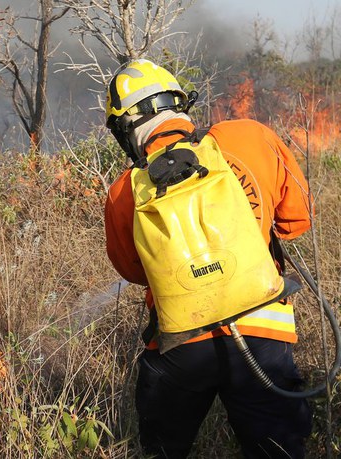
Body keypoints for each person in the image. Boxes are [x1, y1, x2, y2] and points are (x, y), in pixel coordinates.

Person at [103, 59, 313, 458]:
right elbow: (297, 220)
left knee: (163, 450)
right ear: (179, 102)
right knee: (278, 451)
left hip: (180, 344)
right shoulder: (249, 136)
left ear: (125, 128)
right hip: (264, 329)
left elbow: (134, 271)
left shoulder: (123, 192)